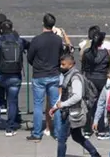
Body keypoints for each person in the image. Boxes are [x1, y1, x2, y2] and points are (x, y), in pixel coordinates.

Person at [52, 54, 102, 157]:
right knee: (77, 136)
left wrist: (62, 105)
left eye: (63, 64)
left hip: (72, 113)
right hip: (69, 111)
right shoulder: (68, 76)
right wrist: (55, 106)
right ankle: (95, 154)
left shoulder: (75, 78)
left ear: (70, 65)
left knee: (61, 138)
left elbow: (77, 96)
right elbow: (64, 94)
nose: (61, 66)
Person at [28, 13, 65, 142]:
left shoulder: (37, 40)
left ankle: (37, 133)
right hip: (53, 74)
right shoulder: (58, 40)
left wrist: (37, 65)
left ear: (43, 24)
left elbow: (29, 57)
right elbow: (61, 55)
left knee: (38, 105)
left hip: (39, 75)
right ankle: (59, 133)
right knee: (56, 105)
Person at [0, 17, 26, 135]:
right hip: (15, 76)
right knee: (12, 102)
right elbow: (28, 46)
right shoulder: (19, 41)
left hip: (1, 75)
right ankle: (10, 127)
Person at [80, 28, 110, 137]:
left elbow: (83, 65)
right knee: (101, 104)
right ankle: (101, 129)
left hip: (90, 78)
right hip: (102, 79)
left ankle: (87, 129)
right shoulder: (106, 53)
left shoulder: (87, 52)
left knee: (89, 104)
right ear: (102, 42)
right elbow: (108, 66)